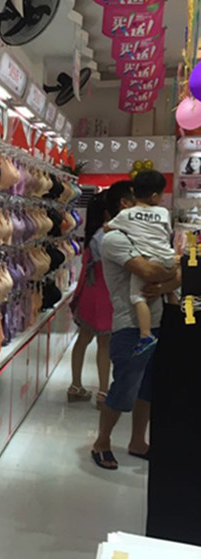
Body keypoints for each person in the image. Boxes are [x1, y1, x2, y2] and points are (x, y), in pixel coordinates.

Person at [91, 181, 181, 470]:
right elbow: (149, 270)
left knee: (148, 388)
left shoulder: (149, 236)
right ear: (125, 206)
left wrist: (167, 280)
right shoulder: (114, 239)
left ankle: (137, 441)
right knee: (124, 389)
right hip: (129, 326)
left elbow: (176, 274)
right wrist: (170, 272)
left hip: (158, 321)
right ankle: (101, 442)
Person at [105, 170, 177, 357]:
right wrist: (168, 278)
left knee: (138, 296)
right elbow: (167, 233)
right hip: (167, 257)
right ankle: (174, 308)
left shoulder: (126, 216)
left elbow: (108, 227)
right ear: (155, 196)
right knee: (170, 283)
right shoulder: (163, 212)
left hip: (149, 260)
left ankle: (145, 335)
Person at [68, 190, 113, 408]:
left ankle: (75, 386)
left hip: (89, 292)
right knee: (104, 343)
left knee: (83, 339)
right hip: (105, 293)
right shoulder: (106, 236)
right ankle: (103, 392)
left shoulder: (93, 234)